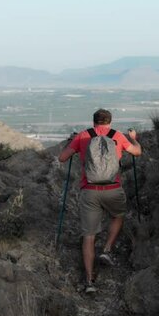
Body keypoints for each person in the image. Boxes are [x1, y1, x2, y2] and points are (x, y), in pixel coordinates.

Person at [58, 109, 142, 294]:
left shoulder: (83, 136)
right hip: (113, 189)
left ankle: (89, 282)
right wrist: (133, 138)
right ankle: (107, 249)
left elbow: (62, 158)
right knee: (118, 215)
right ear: (110, 122)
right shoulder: (118, 136)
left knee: (88, 236)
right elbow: (137, 152)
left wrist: (70, 143)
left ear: (94, 121)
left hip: (90, 191)